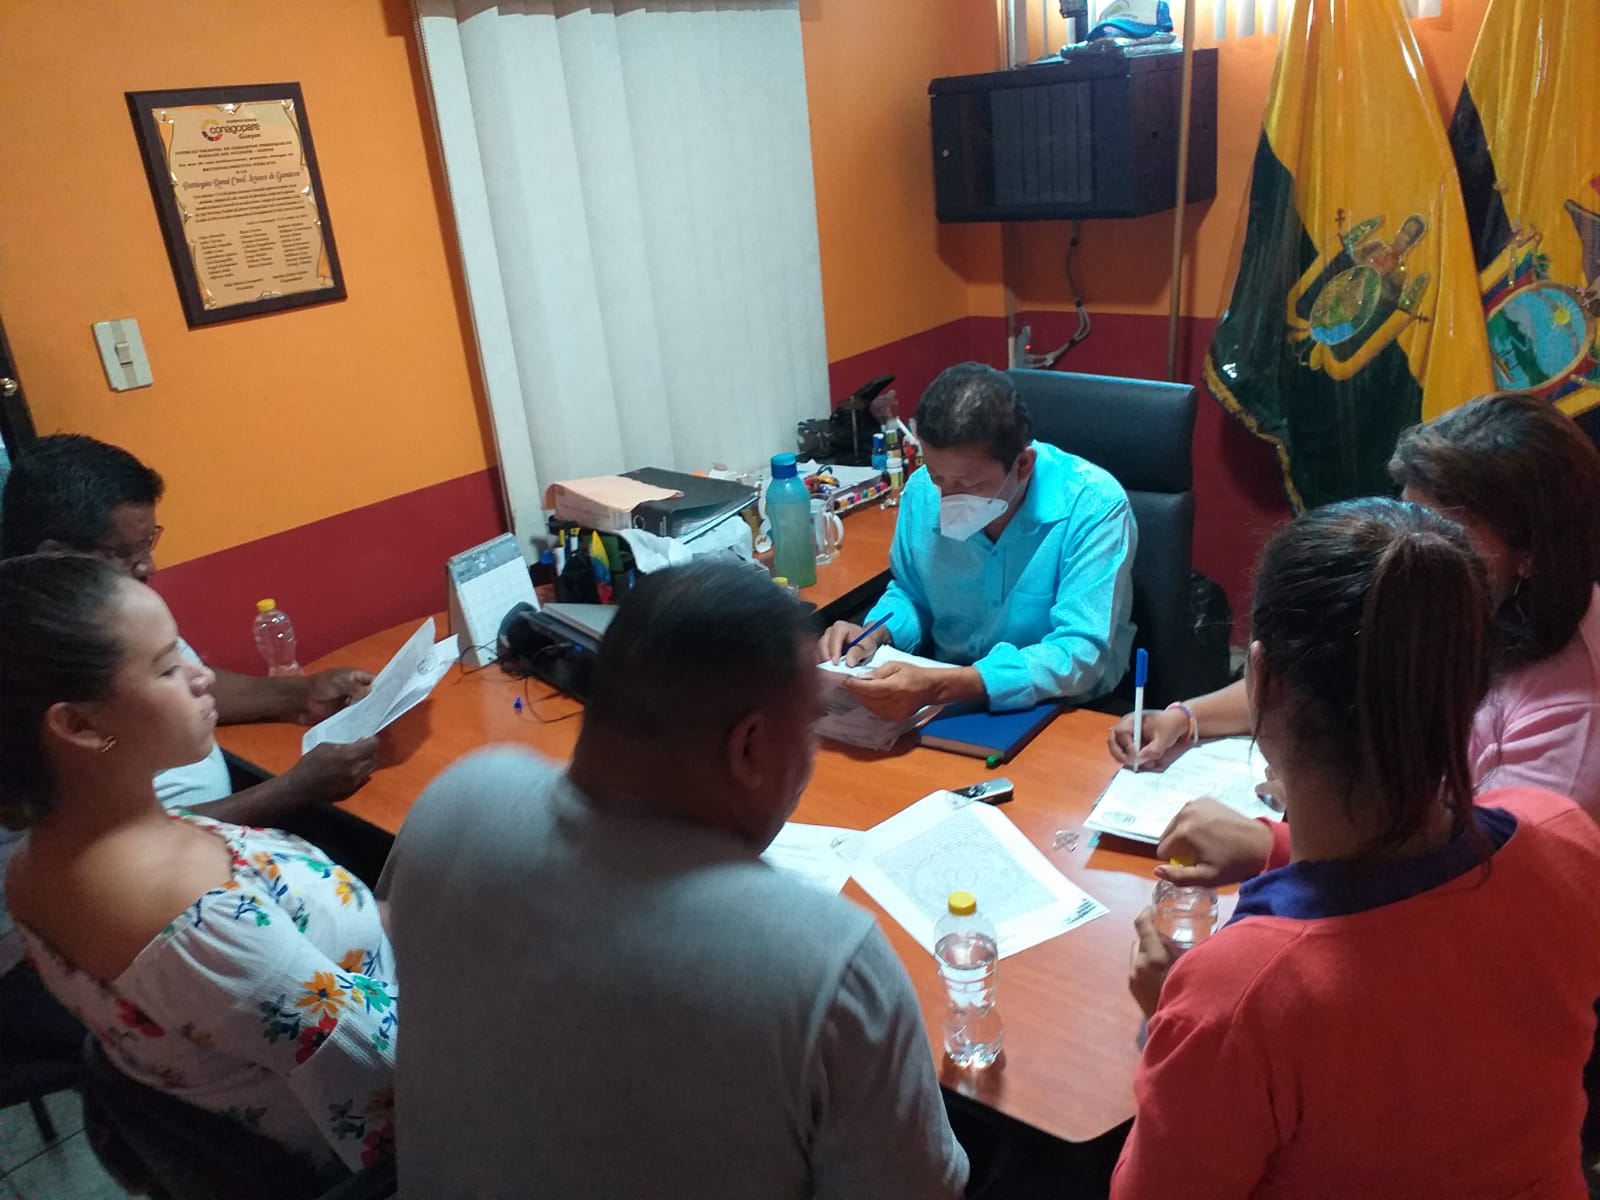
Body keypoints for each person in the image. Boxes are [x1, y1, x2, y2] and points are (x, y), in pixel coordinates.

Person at [381, 561, 968, 1198]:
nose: (812, 755)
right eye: (809, 729)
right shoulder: (826, 962)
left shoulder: (454, 804)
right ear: (748, 748)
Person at [1114, 499, 1600, 1198]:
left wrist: (1167, 1022)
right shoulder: (1562, 834)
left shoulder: (1237, 997)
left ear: (1261, 680)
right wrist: (1273, 845)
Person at [0, 554, 397, 1175]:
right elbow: (390, 1085)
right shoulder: (202, 927)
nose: (202, 675)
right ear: (79, 725)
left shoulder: (36, 865)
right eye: (167, 668)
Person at [1107, 393, 1600, 881]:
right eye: (1408, 515)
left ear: (1531, 553)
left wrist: (1295, 831)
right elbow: (1311, 671)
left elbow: (1482, 886)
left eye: (1445, 537)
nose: (1409, 548)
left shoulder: (1572, 716)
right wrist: (1186, 717)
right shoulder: (1455, 593)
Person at [0, 434, 379, 820]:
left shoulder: (109, 611)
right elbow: (110, 845)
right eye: (123, 552)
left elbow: (184, 686)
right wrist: (294, 789)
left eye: (148, 541)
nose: (148, 565)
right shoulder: (30, 670)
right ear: (57, 555)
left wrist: (302, 693)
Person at [819, 362, 1136, 718]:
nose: (947, 500)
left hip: (1063, 705)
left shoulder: (1093, 505)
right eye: (938, 478)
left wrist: (948, 685)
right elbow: (913, 593)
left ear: (1023, 465)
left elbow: (1079, 651)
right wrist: (876, 632)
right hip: (943, 695)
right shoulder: (922, 492)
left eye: (969, 485)